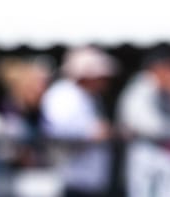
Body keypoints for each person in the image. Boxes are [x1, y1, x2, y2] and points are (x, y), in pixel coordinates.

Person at [41, 47, 116, 197]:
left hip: (93, 180)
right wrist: (92, 132)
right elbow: (55, 129)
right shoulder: (62, 94)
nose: (104, 82)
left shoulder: (92, 97)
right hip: (72, 179)